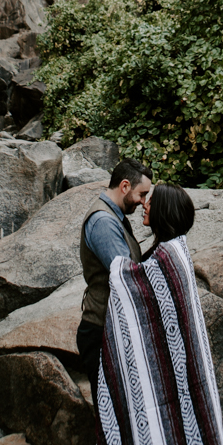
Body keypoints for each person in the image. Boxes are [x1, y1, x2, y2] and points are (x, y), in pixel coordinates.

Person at [93, 183, 223, 445]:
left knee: (179, 433)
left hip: (180, 377)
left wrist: (118, 268)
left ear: (164, 209)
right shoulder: (168, 250)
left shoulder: (169, 255)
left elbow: (134, 283)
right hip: (169, 374)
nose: (144, 204)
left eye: (150, 201)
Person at [77, 158, 153, 407]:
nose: (143, 202)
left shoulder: (115, 216)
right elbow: (125, 277)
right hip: (100, 330)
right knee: (111, 410)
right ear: (124, 186)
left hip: (108, 328)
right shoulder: (104, 222)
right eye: (141, 194)